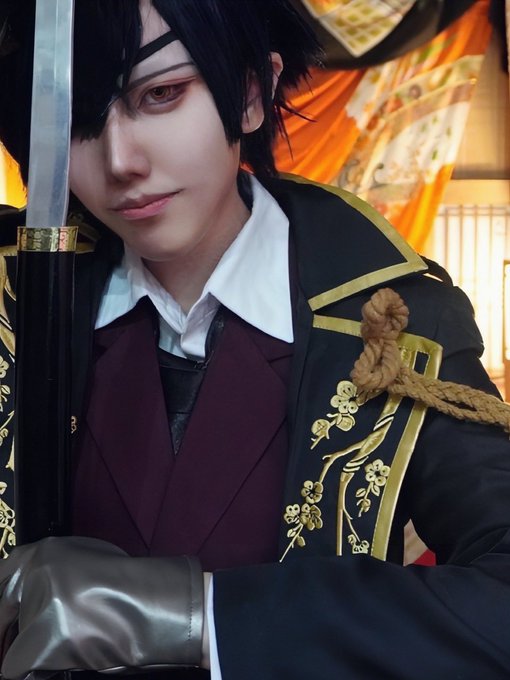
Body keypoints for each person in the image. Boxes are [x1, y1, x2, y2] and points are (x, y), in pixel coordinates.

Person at [0, 1, 509, 678]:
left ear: (249, 93)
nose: (121, 161)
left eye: (161, 94)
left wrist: (202, 616)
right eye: (77, 117)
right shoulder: (21, 301)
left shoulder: (398, 325)